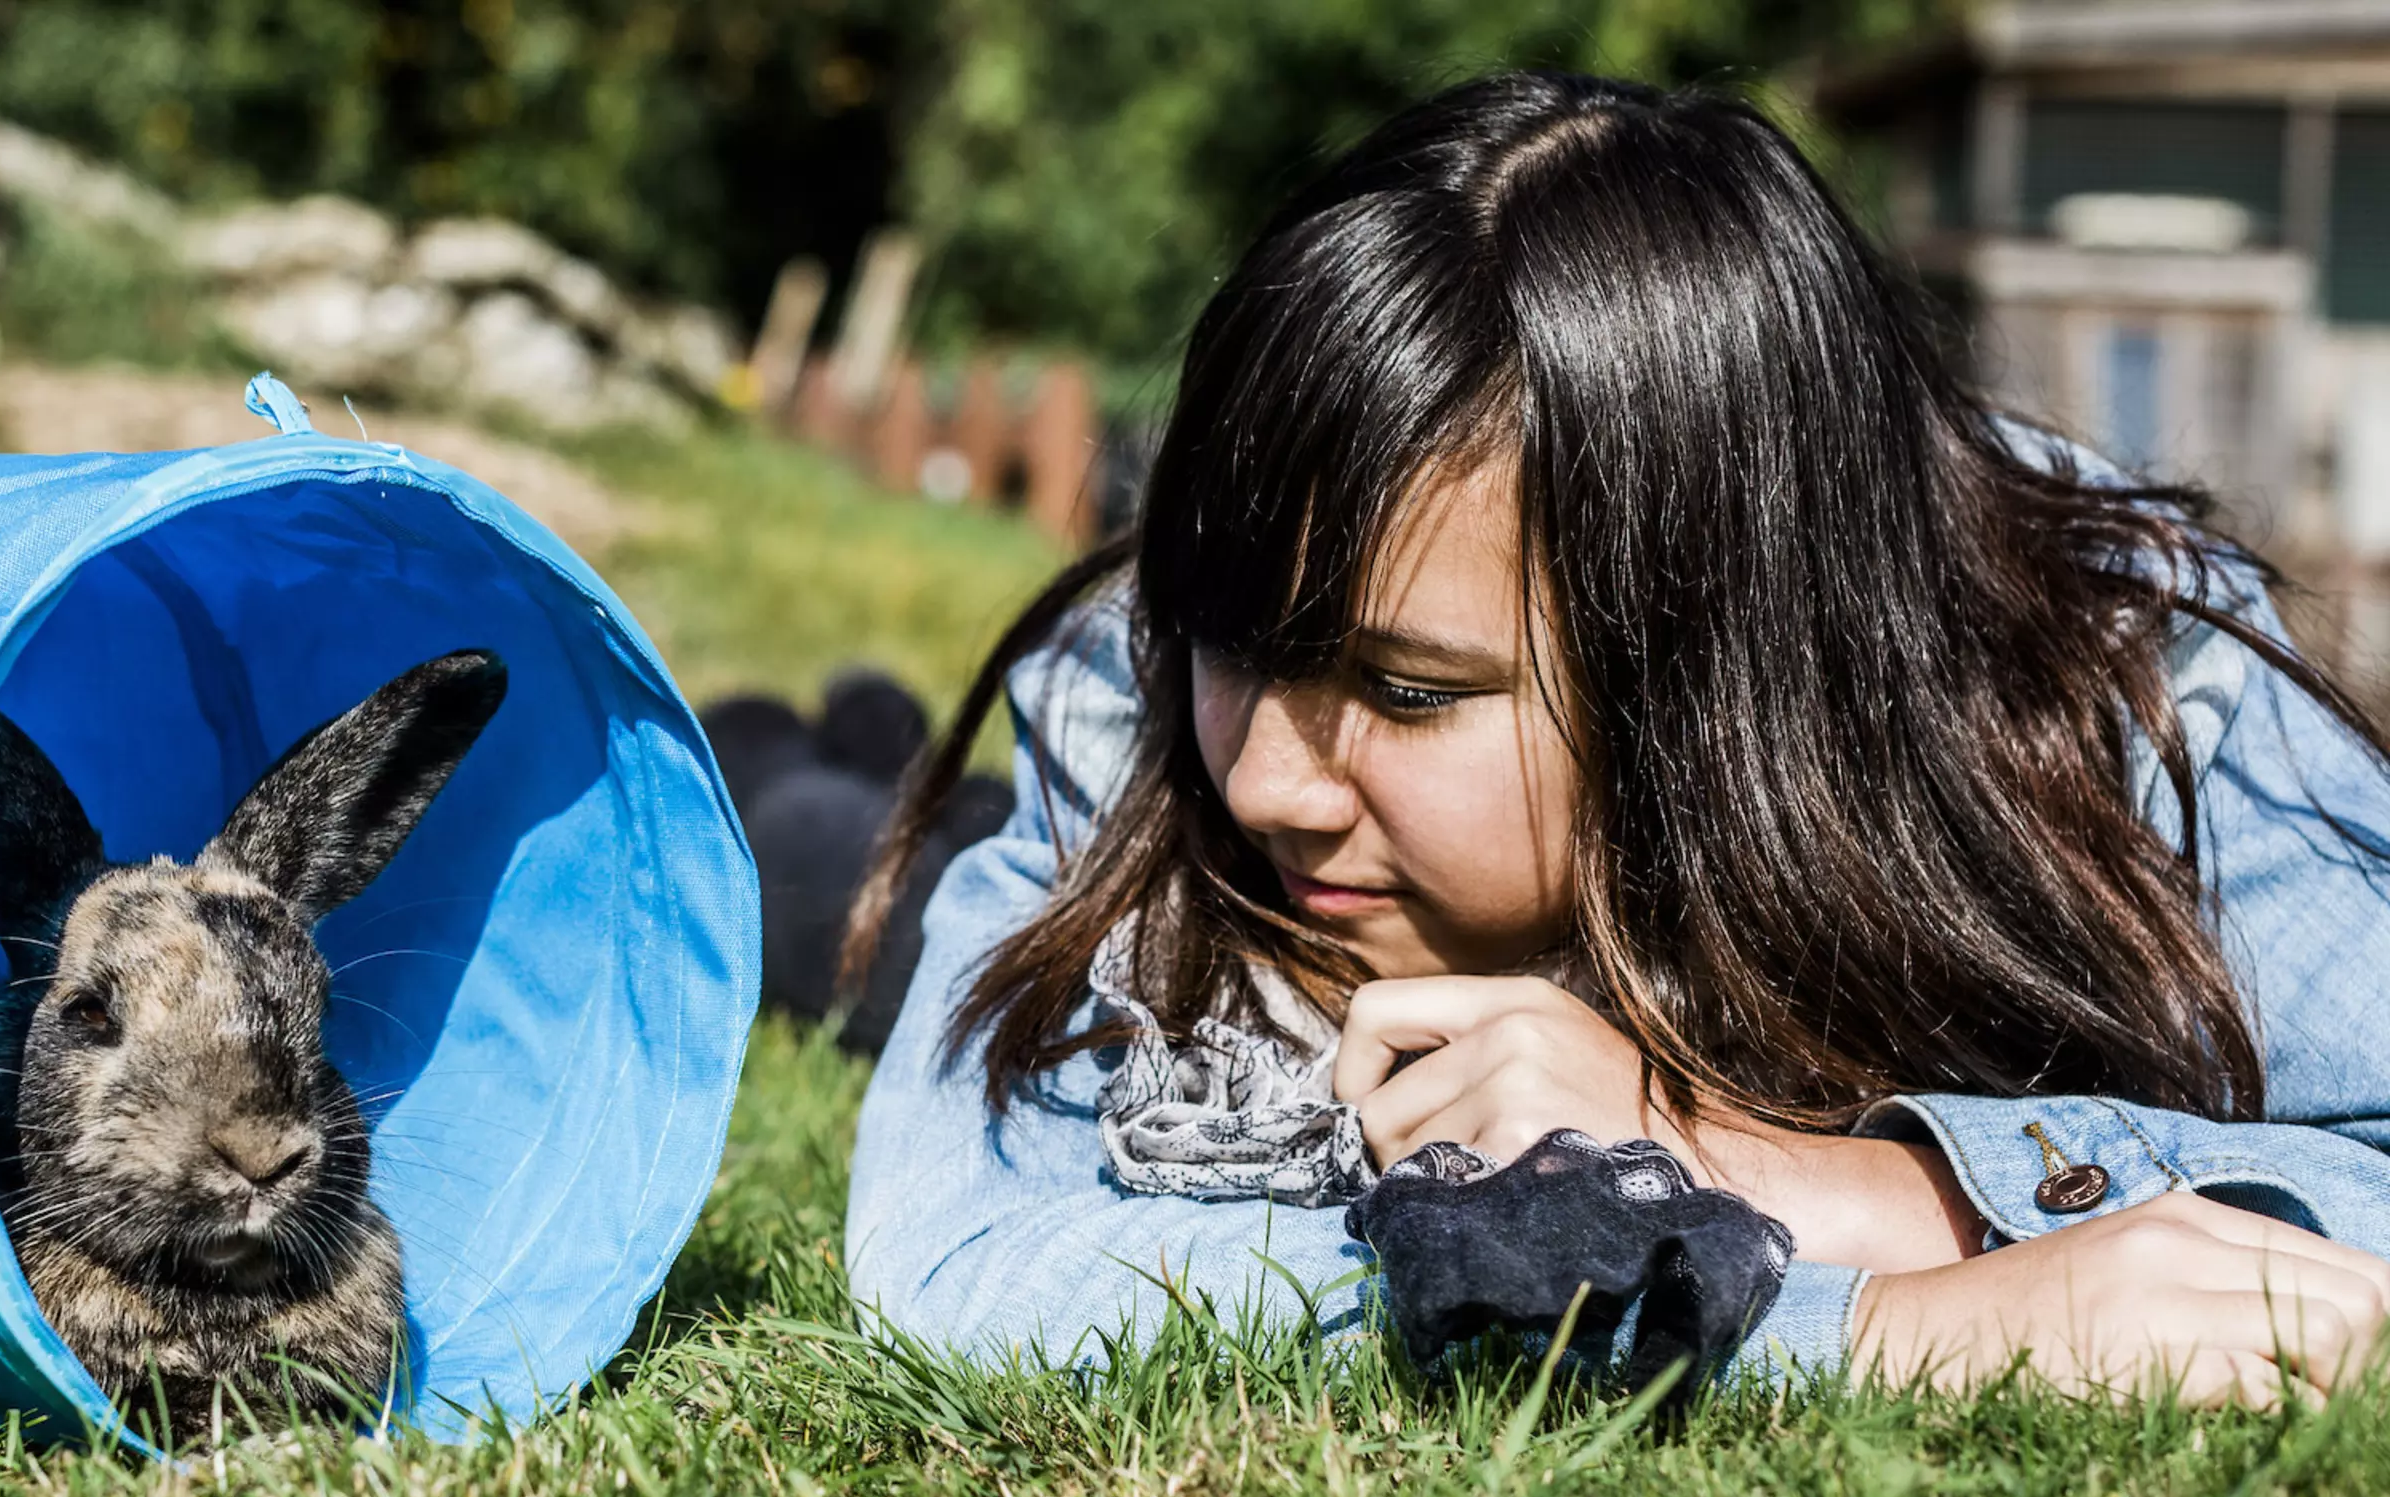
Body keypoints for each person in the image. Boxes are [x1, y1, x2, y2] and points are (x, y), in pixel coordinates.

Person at [842, 71, 2390, 1406]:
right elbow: (971, 1256)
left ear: (1722, 666)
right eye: (1237, 649)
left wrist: (1802, 1172)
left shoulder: (2120, 670)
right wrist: (1874, 1322)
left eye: (1411, 692)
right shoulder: (1138, 697)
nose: (1261, 783)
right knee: (820, 858)